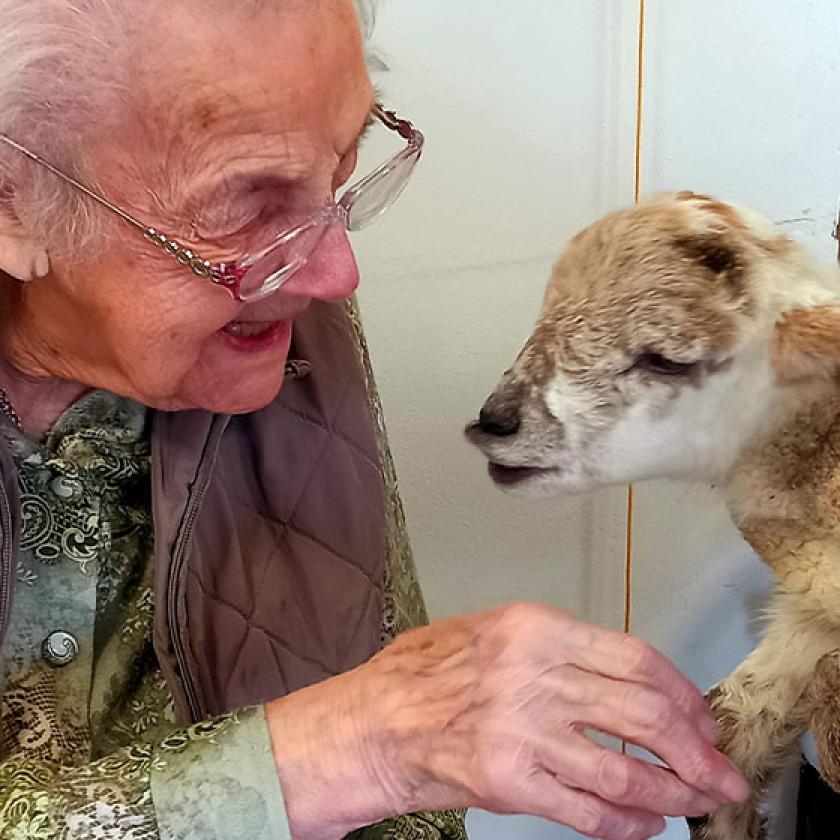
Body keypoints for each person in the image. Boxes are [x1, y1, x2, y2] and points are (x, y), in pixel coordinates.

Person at [0, 1, 750, 838]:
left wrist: (418, 736)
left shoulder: (274, 326)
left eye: (347, 163)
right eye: (246, 206)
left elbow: (400, 721)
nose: (337, 271)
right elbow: (377, 738)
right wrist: (347, 748)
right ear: (12, 203)